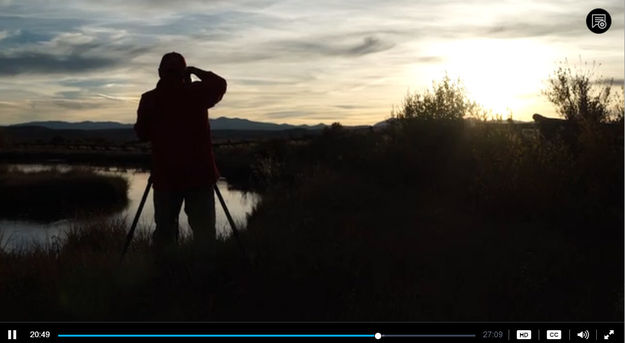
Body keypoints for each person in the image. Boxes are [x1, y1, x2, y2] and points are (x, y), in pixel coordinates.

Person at [134, 52, 227, 265]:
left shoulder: (149, 99)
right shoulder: (197, 93)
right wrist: (195, 72)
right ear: (183, 73)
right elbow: (220, 84)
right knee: (204, 235)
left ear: (159, 72)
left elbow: (141, 133)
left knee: (165, 234)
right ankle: (205, 280)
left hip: (166, 177)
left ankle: (166, 278)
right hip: (200, 176)